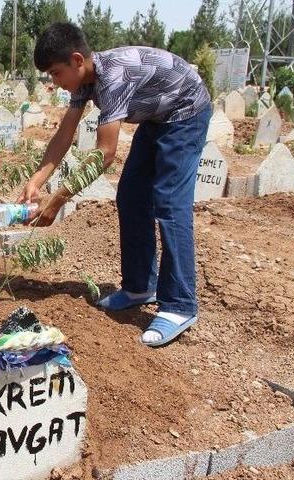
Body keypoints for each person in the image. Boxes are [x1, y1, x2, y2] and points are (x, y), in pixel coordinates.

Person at [18, 22, 212, 347]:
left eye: (55, 73)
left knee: (169, 202)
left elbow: (105, 154)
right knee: (132, 196)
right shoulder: (84, 81)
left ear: (77, 60)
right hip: (157, 117)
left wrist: (59, 198)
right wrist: (37, 180)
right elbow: (65, 134)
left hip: (185, 112)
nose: (54, 82)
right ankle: (139, 287)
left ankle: (180, 305)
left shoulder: (113, 77)